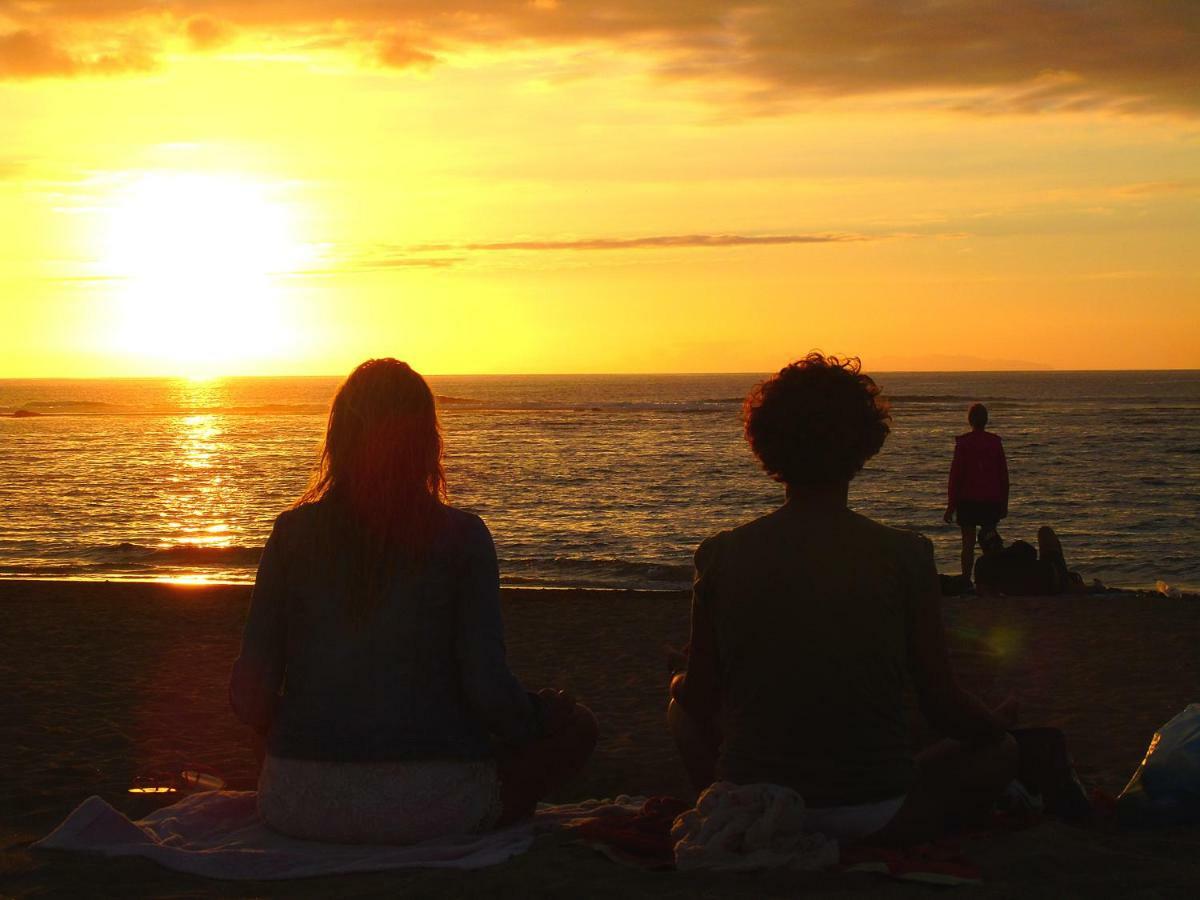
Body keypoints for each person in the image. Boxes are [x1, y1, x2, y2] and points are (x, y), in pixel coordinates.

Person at [229, 358, 597, 844]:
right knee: (579, 728)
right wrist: (538, 716)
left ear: (339, 439)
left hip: (295, 806)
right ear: (427, 441)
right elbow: (487, 690)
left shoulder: (291, 534)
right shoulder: (463, 537)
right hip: (432, 806)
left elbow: (248, 696)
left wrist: (316, 725)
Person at [669, 353, 1019, 846]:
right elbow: (940, 702)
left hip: (754, 802)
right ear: (864, 445)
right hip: (877, 812)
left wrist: (681, 678)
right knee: (1000, 751)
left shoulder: (721, 555)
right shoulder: (906, 555)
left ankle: (732, 801)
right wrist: (993, 727)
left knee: (676, 710)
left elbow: (699, 698)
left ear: (765, 443)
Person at [944, 403, 1010, 581]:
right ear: (986, 420)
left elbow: (956, 477)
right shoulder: (994, 442)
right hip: (990, 500)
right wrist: (1004, 503)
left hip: (968, 500)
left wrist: (951, 506)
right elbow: (1003, 476)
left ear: (970, 420)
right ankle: (991, 580)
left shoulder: (964, 443)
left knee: (968, 544)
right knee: (989, 541)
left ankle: (966, 579)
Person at [974, 525, 1087, 597]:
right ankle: (1070, 581)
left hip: (1051, 583)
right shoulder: (1018, 548)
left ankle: (1070, 582)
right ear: (1000, 542)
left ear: (983, 548)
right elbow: (1032, 553)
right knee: (1045, 531)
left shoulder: (982, 564)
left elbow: (983, 592)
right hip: (1053, 579)